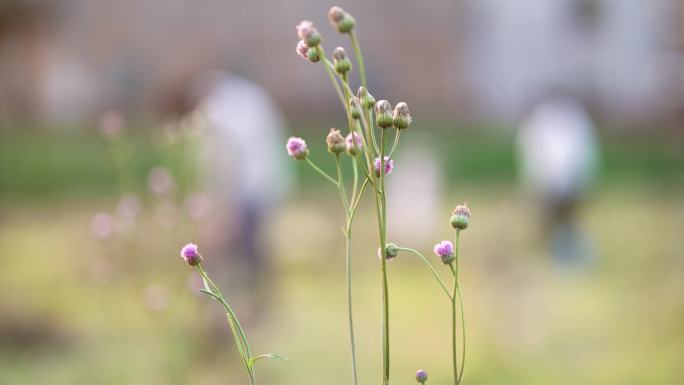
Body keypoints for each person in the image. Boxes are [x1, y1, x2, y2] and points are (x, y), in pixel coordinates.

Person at [516, 94, 600, 267]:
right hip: (553, 186)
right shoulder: (542, 123)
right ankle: (552, 255)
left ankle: (566, 256)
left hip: (565, 187)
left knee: (564, 222)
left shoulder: (564, 122)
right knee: (552, 224)